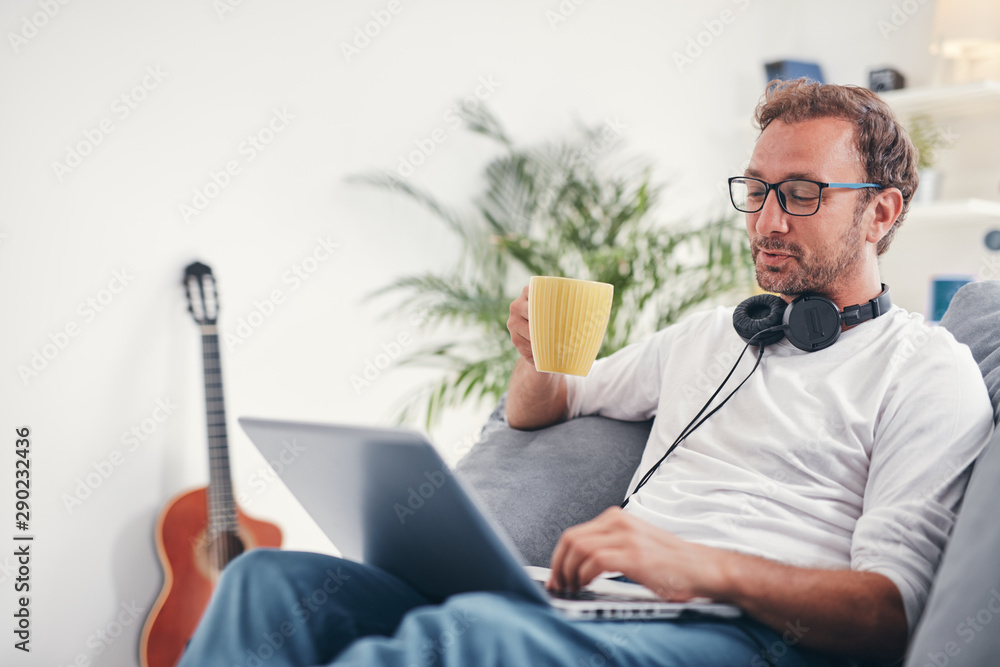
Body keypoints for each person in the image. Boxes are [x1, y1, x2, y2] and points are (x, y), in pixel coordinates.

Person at [178, 79, 994, 666]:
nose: (768, 220)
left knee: (473, 638)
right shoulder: (712, 335)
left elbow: (888, 614)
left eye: (804, 193)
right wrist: (536, 354)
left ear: (880, 211)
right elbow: (553, 401)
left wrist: (695, 565)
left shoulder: (928, 373)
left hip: (740, 637)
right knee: (266, 580)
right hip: (599, 608)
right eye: (756, 190)